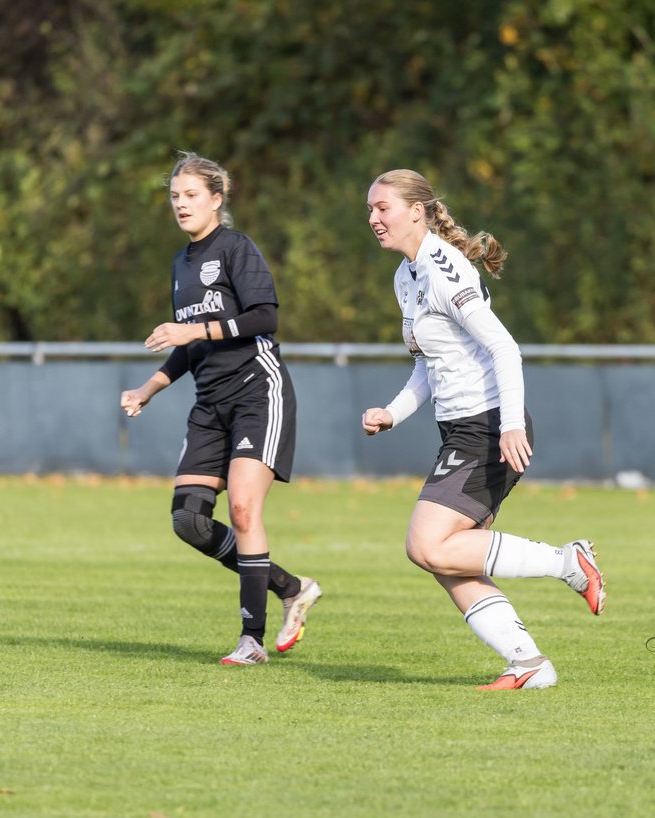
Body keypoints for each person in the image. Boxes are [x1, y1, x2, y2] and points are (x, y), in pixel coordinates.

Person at [361, 169, 606, 690]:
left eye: (383, 208)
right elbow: (427, 364)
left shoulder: (444, 269)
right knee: (449, 560)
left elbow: (504, 348)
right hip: (460, 430)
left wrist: (511, 425)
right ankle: (528, 664)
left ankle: (568, 561)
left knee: (425, 545)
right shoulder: (406, 276)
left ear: (417, 211)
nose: (374, 219)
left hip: (487, 427)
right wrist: (393, 413)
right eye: (371, 210)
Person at [120, 152, 321, 665]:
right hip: (210, 404)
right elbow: (190, 346)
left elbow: (264, 317)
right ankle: (291, 587)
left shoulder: (236, 248)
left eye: (191, 195)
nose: (181, 204)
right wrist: (147, 388)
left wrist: (193, 329)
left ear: (216, 197)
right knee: (188, 520)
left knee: (243, 509)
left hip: (257, 391)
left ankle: (251, 641)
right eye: (174, 196)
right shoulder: (180, 264)